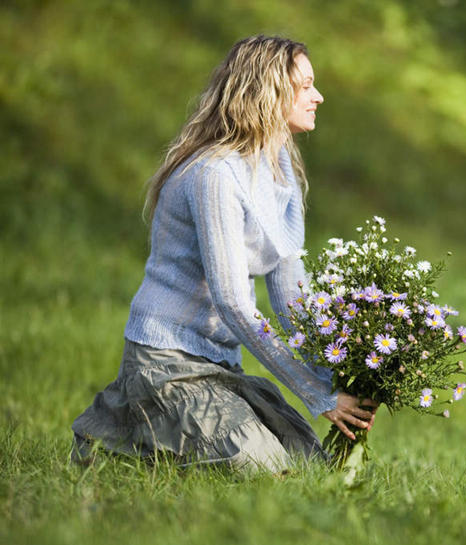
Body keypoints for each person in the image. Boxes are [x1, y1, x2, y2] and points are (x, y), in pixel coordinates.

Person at [72, 35, 375, 472]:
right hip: (167, 363)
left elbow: (293, 301)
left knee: (308, 465)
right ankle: (121, 432)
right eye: (305, 86)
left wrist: (341, 374)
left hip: (222, 365)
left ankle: (151, 432)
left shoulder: (281, 173)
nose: (318, 96)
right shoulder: (215, 175)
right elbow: (233, 302)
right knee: (264, 469)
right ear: (269, 92)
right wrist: (316, 394)